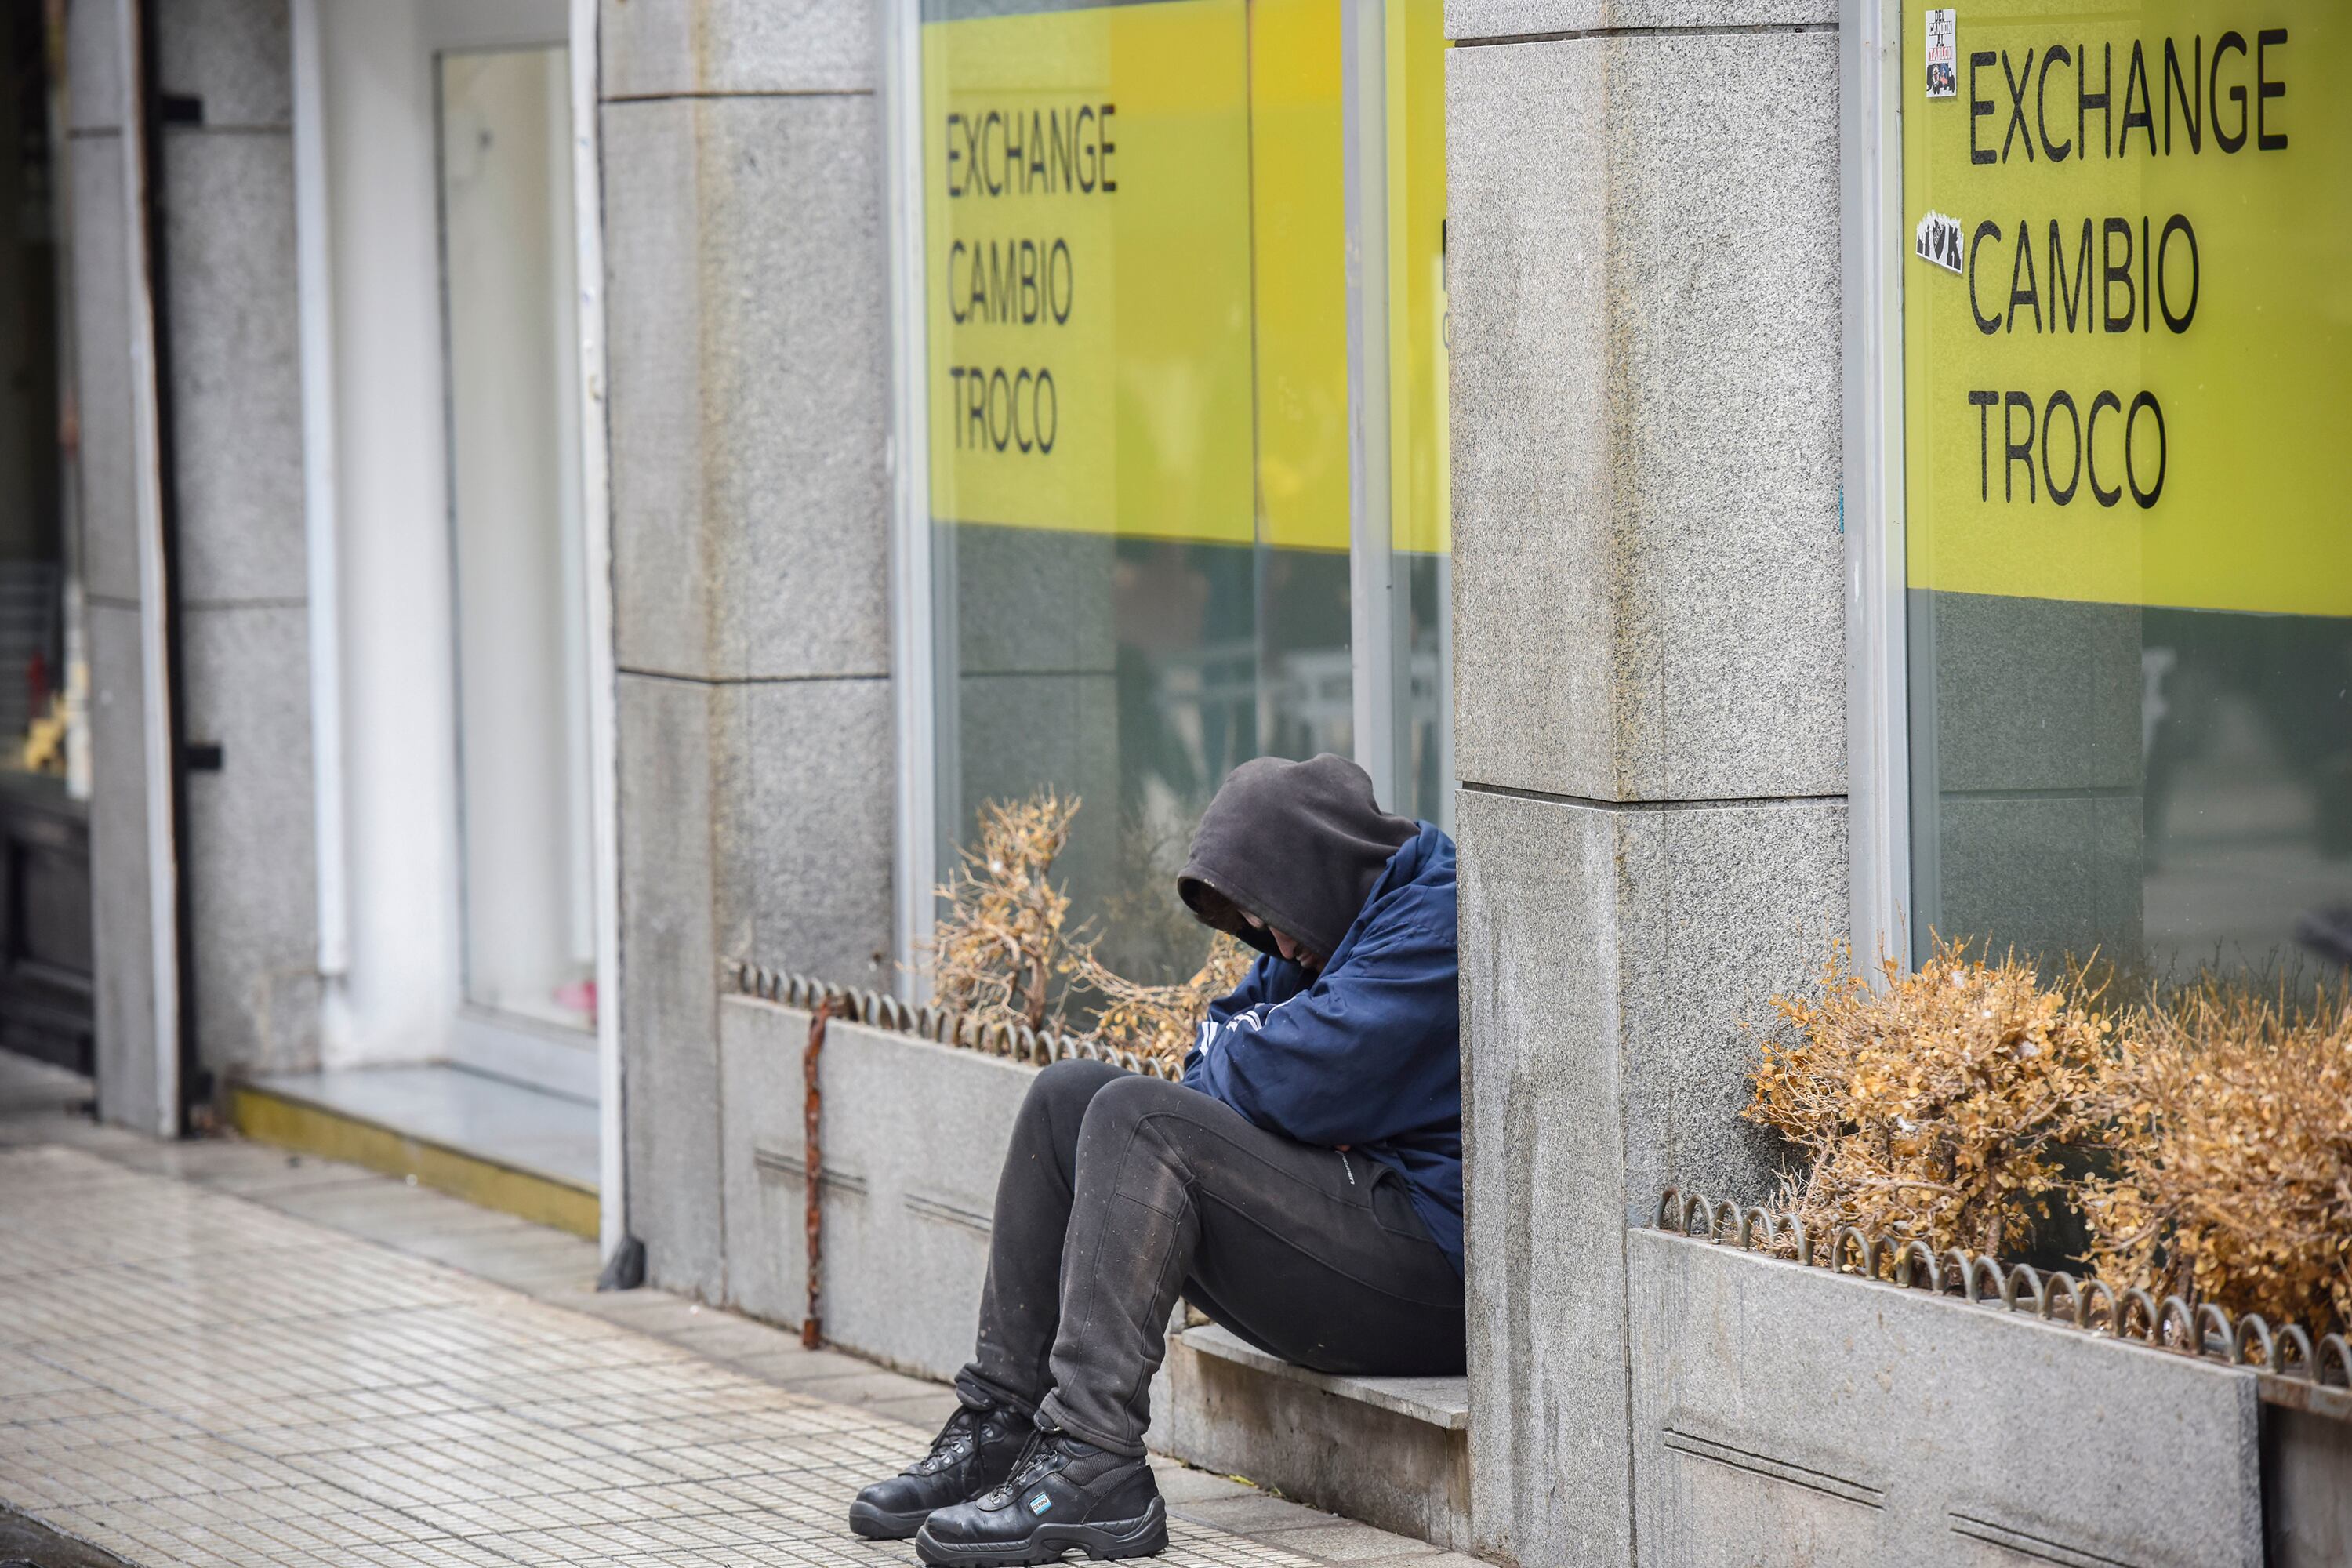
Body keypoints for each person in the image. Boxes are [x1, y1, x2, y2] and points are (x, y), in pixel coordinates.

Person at [850, 753, 1464, 1566]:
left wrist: (1285, 1078)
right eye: (1262, 928)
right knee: (1067, 1097)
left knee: (1142, 1118)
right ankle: (1003, 1424)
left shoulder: (1433, 924)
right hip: (1356, 1219)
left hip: (1430, 1277)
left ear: (1318, 866)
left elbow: (1286, 1077)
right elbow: (1216, 1054)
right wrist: (1286, 1078)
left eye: (1276, 921)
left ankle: (1093, 1454)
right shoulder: (1325, 927)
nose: (1277, 944)